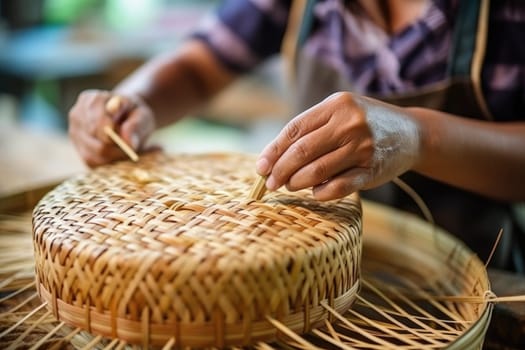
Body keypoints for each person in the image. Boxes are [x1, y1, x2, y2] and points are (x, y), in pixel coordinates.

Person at [68, 0, 525, 271]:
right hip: (305, 275)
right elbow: (199, 65)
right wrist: (131, 104)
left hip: (461, 275)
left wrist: (417, 135)